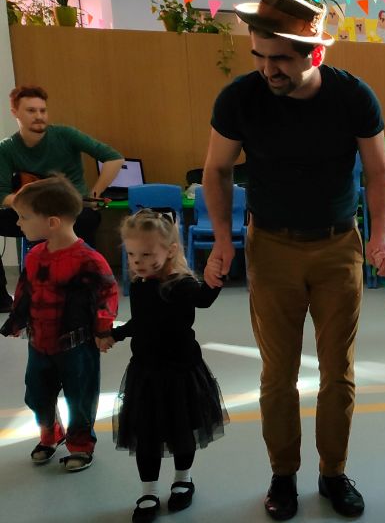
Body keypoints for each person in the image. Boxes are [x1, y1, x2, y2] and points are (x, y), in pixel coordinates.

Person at [201, 0, 385, 520]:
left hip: (338, 246)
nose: (268, 70)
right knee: (277, 374)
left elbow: (378, 172)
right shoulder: (239, 98)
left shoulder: (353, 96)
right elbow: (216, 170)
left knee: (338, 372)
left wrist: (380, 235)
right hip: (270, 247)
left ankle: (333, 472)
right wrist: (223, 240)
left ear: (314, 53)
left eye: (281, 59)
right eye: (260, 57)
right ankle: (283, 474)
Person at [104, 210, 227, 522]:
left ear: (170, 250)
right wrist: (115, 334)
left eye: (146, 254)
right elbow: (141, 321)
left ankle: (183, 479)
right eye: (131, 254)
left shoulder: (181, 284)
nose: (137, 261)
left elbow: (204, 299)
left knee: (183, 429)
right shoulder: (140, 284)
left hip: (181, 371)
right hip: (146, 372)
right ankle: (148, 491)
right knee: (146, 435)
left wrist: (216, 274)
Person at [0, 176, 118, 472]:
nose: (18, 223)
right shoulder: (34, 256)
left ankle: (81, 445)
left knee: (80, 397)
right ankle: (51, 432)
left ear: (52, 222)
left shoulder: (89, 260)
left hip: (77, 344)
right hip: (39, 342)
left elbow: (106, 294)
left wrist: (103, 330)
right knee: (37, 393)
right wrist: (17, 319)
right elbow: (25, 290)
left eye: (23, 217)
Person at [0, 85, 124, 310]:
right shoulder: (6, 148)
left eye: (42, 110)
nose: (39, 116)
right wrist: (29, 203)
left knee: (85, 219)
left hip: (73, 210)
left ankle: (86, 293)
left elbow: (114, 158)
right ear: (15, 112)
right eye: (31, 110)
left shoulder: (66, 135)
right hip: (32, 213)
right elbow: (2, 195)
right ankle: (1, 299)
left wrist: (95, 193)